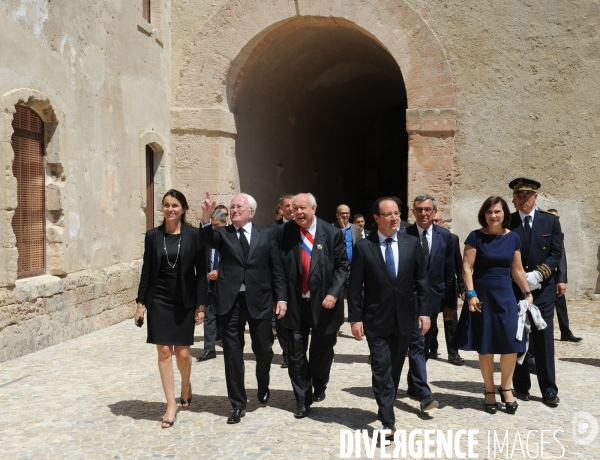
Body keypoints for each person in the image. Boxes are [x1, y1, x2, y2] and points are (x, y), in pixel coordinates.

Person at [199, 192, 287, 424]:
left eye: (239, 207)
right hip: (231, 303)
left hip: (259, 301)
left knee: (263, 350)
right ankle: (237, 404)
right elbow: (206, 240)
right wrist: (207, 216)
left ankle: (262, 382)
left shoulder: (266, 234)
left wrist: (282, 298)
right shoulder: (221, 234)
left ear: (251, 212)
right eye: (232, 207)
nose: (235, 210)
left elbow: (276, 268)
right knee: (232, 355)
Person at [348, 197, 431, 439]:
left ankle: (386, 401)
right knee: (381, 367)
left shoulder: (412, 243)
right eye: (389, 214)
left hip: (405, 318)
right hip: (376, 319)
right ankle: (388, 420)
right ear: (376, 218)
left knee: (394, 367)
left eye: (397, 213)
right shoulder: (365, 247)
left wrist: (424, 313)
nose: (395, 218)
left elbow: (422, 281)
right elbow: (354, 288)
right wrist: (355, 318)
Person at [454, 196, 533, 414]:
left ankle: (506, 387)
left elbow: (517, 270)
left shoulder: (513, 238)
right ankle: (489, 391)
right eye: (489, 212)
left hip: (506, 297)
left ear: (505, 213)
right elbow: (467, 268)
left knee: (510, 344)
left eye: (497, 211)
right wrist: (470, 294)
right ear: (484, 214)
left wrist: (527, 293)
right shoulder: (475, 236)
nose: (493, 216)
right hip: (482, 298)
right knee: (486, 346)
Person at [134, 189, 206, 428]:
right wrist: (140, 303)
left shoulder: (194, 235)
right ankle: (171, 404)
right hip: (160, 301)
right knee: (164, 352)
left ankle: (186, 386)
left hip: (184, 302)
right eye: (166, 205)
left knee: (183, 353)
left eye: (175, 205)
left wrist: (201, 306)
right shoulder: (153, 236)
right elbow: (147, 270)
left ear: (183, 209)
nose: (170, 209)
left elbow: (201, 274)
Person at [277, 193, 349, 418]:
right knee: (296, 355)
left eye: (303, 208)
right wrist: (280, 297)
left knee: (321, 353)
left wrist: (334, 293)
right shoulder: (284, 232)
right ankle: (302, 399)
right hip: (295, 306)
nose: (298, 212)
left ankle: (319, 383)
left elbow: (342, 266)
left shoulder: (332, 233)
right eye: (294, 208)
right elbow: (277, 268)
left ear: (314, 208)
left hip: (325, 305)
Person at [509, 178, 563, 406]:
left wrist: (539, 275)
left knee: (543, 339)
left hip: (543, 290)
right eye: (518, 196)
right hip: (515, 289)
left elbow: (556, 252)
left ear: (535, 197)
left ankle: (549, 389)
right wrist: (521, 279)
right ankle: (521, 386)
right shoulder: (508, 221)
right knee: (519, 336)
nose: (522, 200)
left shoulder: (550, 221)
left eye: (526, 196)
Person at [405, 194, 455, 412]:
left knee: (424, 344)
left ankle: (412, 384)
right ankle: (424, 392)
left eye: (427, 209)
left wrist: (450, 304)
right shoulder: (403, 235)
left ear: (434, 212)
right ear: (413, 212)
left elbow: (449, 272)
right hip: (408, 299)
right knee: (417, 342)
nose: (423, 213)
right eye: (419, 209)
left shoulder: (447, 238)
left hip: (434, 299)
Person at [430, 210, 466, 365]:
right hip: (433, 287)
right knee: (430, 321)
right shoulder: (426, 239)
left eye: (438, 221)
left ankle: (453, 353)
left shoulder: (452, 238)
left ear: (443, 222)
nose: (435, 224)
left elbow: (459, 264)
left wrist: (462, 287)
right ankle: (432, 348)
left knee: (451, 322)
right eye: (433, 221)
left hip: (449, 286)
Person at [268, 194, 295, 368]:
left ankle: (296, 353)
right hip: (279, 283)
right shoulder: (272, 229)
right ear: (282, 208)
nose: (291, 209)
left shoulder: (306, 227)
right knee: (281, 320)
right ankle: (287, 354)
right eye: (287, 206)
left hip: (298, 284)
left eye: (294, 206)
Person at [197, 209, 227, 362]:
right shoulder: (208, 242)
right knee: (209, 317)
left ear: (224, 223)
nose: (214, 229)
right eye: (212, 226)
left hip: (226, 286)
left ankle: (229, 347)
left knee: (227, 318)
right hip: (209, 285)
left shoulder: (229, 239)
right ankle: (209, 349)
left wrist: (220, 272)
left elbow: (236, 265)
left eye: (216, 225)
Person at [547, 209, 582, 343]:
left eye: (558, 218)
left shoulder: (559, 234)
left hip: (555, 274)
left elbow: (562, 256)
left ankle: (566, 332)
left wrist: (562, 278)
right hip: (542, 274)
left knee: (561, 304)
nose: (556, 220)